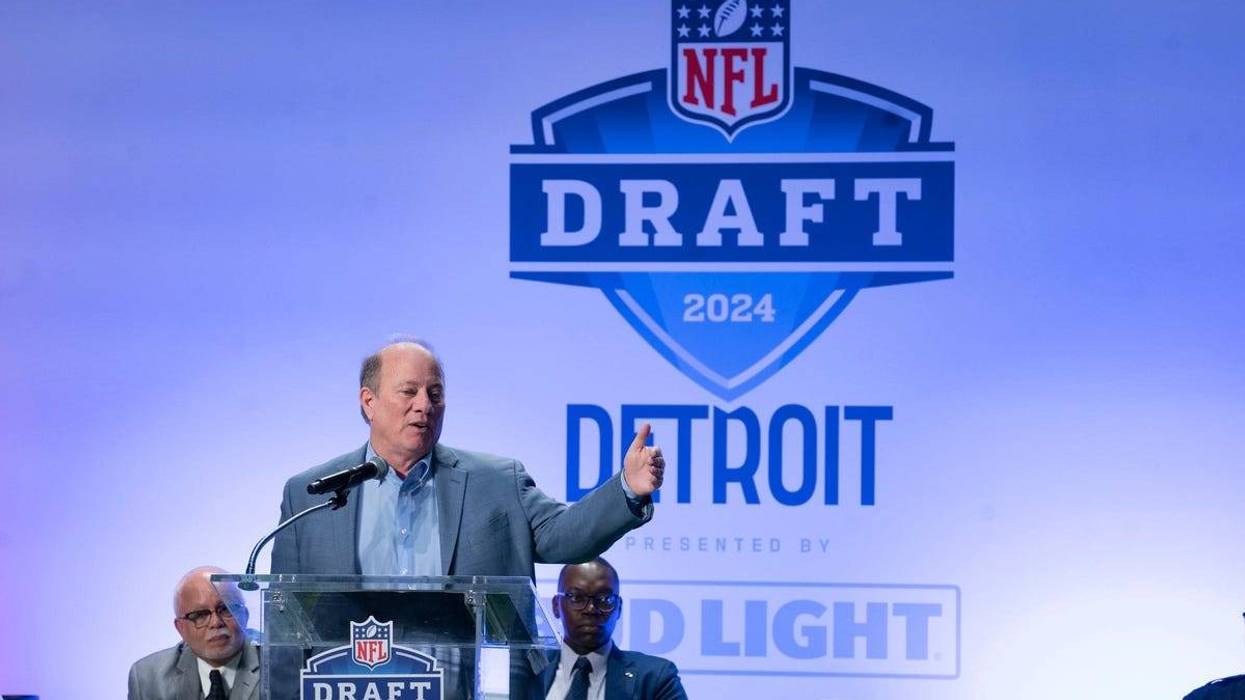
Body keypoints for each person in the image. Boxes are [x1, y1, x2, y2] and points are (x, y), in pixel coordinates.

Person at [270, 339, 665, 578]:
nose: (424, 405)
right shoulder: (310, 494)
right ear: (369, 402)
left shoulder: (496, 481)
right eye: (409, 392)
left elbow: (564, 537)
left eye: (435, 393)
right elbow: (284, 621)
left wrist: (626, 488)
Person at [542, 558, 686, 700]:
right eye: (577, 598)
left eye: (605, 599)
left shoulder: (655, 678)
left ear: (619, 608)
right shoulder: (528, 671)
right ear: (556, 606)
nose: (591, 609)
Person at [128, 566, 260, 700]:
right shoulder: (147, 679)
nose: (216, 622)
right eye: (200, 615)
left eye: (225, 609)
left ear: (245, 614)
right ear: (181, 628)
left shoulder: (277, 668)